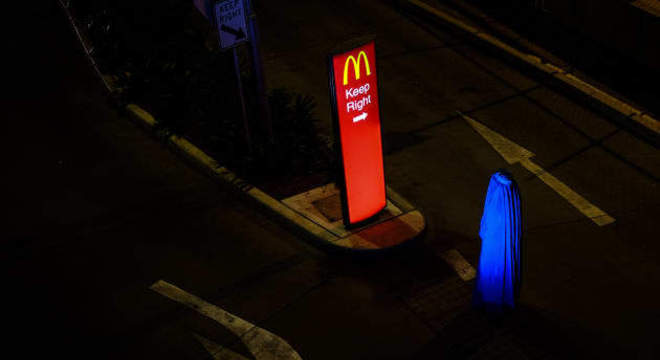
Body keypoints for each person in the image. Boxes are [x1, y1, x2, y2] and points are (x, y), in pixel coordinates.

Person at [473, 171, 522, 311]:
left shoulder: (496, 197)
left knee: (490, 270)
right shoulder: (512, 194)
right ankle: (504, 299)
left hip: (492, 247)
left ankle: (490, 301)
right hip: (508, 244)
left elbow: (486, 227)